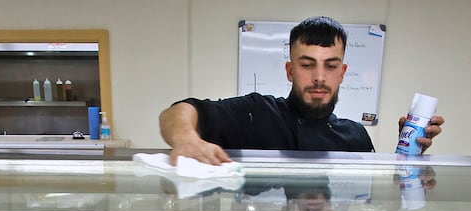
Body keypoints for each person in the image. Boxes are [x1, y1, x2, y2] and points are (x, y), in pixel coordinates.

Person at [159, 16, 445, 165]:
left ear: (342, 73)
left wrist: (408, 159)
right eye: (308, 65)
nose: (320, 77)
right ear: (290, 70)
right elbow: (178, 112)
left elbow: (370, 205)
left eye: (331, 66)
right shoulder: (255, 113)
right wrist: (186, 139)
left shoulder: (355, 136)